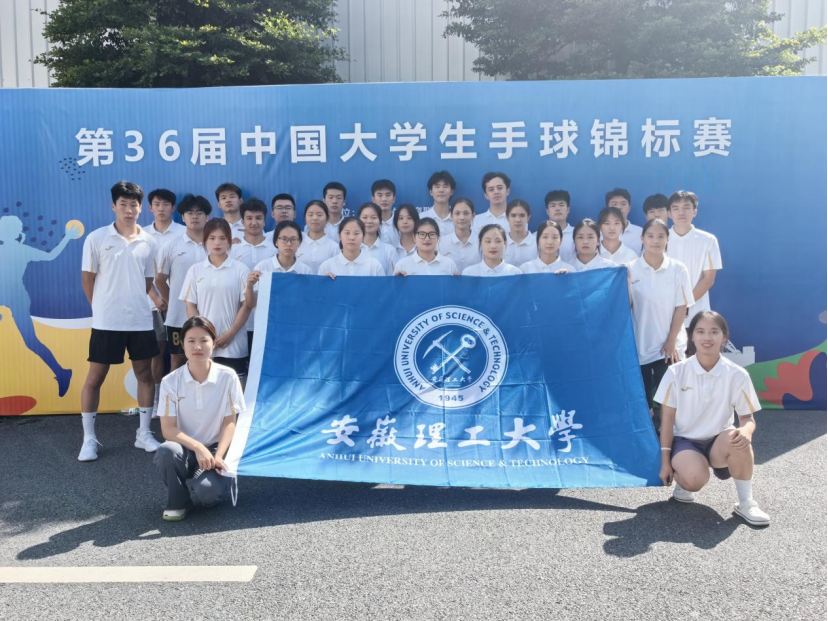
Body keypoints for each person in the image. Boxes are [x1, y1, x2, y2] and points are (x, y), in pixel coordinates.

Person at [655, 311, 770, 526]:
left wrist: (746, 431)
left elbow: (748, 419)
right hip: (685, 442)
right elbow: (667, 421)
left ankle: (746, 503)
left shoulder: (737, 374)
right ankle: (684, 480)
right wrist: (665, 463)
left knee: (738, 438)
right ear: (691, 336)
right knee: (694, 479)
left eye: (714, 332)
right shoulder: (675, 372)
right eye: (700, 331)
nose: (707, 337)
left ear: (724, 337)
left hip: (719, 441)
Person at [78, 181, 160, 462]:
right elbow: (87, 280)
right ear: (113, 206)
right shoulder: (97, 238)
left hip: (140, 321)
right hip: (107, 322)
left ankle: (144, 433)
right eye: (123, 204)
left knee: (145, 375)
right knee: (95, 379)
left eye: (133, 204)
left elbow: (147, 281)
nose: (128, 210)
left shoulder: (149, 241)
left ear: (140, 208)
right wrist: (102, 308)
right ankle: (89, 439)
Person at [154, 315, 244, 521]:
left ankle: (215, 481)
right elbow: (168, 430)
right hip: (186, 449)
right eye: (191, 341)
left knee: (208, 494)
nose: (197, 346)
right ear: (182, 345)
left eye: (204, 340)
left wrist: (219, 456)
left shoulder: (228, 376)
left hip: (216, 449)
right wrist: (197, 447)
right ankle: (179, 502)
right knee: (166, 451)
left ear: (214, 343)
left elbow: (229, 422)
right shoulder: (170, 381)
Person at [0, 215, 81, 397]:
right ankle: (61, 372)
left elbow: (50, 256)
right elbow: (51, 256)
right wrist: (67, 237)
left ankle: (61, 372)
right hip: (7, 295)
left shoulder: (22, 249)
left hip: (17, 297)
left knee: (31, 341)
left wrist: (67, 237)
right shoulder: (19, 249)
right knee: (31, 342)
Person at [628, 218, 694, 430]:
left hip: (669, 346)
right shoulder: (630, 269)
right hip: (639, 344)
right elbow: (626, 306)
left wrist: (671, 340)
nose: (655, 241)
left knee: (671, 397)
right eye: (650, 236)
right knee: (644, 401)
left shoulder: (678, 268)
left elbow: (681, 307)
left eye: (660, 236)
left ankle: (671, 435)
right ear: (642, 238)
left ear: (667, 239)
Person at [181, 219, 253, 378]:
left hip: (234, 344)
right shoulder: (195, 270)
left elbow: (246, 305)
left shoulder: (241, 269)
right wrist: (205, 335)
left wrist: (230, 333)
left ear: (229, 241)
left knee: (235, 388)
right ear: (205, 240)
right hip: (204, 345)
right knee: (203, 386)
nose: (217, 243)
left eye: (222, 238)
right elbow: (190, 305)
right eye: (212, 238)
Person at [156, 194, 210, 374]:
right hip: (178, 318)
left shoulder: (215, 244)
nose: (195, 216)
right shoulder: (171, 246)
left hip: (211, 315)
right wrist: (175, 303)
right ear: (183, 217)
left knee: (210, 362)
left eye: (199, 213)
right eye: (190, 213)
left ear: (207, 217)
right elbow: (159, 280)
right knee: (177, 363)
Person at [145, 189, 185, 416]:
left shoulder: (183, 233)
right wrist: (156, 297)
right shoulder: (142, 234)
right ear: (150, 207)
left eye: (166, 204)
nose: (161, 208)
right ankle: (157, 401)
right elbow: (139, 270)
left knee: (181, 353)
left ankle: (180, 399)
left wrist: (173, 301)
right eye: (157, 204)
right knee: (157, 352)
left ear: (174, 208)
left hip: (181, 304)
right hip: (154, 304)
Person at [667, 190, 722, 326]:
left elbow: (708, 279)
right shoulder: (660, 239)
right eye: (676, 208)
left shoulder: (708, 240)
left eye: (686, 208)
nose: (681, 212)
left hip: (697, 316)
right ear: (669, 213)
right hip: (665, 314)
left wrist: (684, 305)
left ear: (694, 212)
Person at [230, 198, 277, 355]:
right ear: (242, 221)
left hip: (267, 318)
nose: (254, 222)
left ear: (265, 220)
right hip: (238, 319)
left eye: (258, 218)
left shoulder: (274, 249)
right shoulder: (232, 250)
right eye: (249, 218)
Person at [318, 218, 385, 278]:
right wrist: (325, 282)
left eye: (356, 233)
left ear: (363, 237)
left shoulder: (374, 266)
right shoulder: (327, 267)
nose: (351, 238)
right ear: (339, 236)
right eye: (347, 233)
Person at [394, 217, 458, 276]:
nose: (427, 238)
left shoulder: (449, 264)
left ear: (438, 237)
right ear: (414, 237)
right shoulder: (402, 265)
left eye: (432, 234)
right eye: (422, 234)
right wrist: (398, 280)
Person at [295, 200, 339, 274]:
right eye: (310, 215)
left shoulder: (334, 247)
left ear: (327, 218)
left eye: (319, 215)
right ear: (305, 218)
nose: (315, 218)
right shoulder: (297, 244)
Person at [438, 198, 478, 273]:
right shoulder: (441, 242)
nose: (461, 218)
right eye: (457, 213)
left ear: (473, 215)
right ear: (451, 216)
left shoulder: (481, 241)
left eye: (466, 213)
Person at [358, 202, 396, 275]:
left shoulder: (389, 251)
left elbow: (394, 278)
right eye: (365, 217)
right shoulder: (351, 249)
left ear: (380, 221)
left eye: (374, 217)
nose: (369, 221)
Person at [606, 188, 642, 254]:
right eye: (614, 204)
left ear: (629, 208)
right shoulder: (600, 233)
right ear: (607, 208)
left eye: (623, 204)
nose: (619, 207)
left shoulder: (640, 233)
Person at [419, 171, 456, 236]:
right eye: (437, 186)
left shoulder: (458, 219)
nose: (441, 190)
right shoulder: (421, 218)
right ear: (431, 192)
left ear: (451, 192)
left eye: (445, 186)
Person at [545, 190, 576, 264]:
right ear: (547, 211)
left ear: (568, 209)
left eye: (561, 205)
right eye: (553, 205)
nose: (557, 209)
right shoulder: (538, 236)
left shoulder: (577, 234)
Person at [504, 199, 537, 267]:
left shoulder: (537, 243)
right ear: (507, 218)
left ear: (528, 218)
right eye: (513, 215)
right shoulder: (501, 242)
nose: (518, 220)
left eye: (522, 215)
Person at [371, 179, 399, 246]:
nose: (384, 199)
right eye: (380, 195)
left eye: (388, 195)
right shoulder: (368, 224)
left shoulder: (400, 223)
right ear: (373, 199)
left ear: (394, 199)